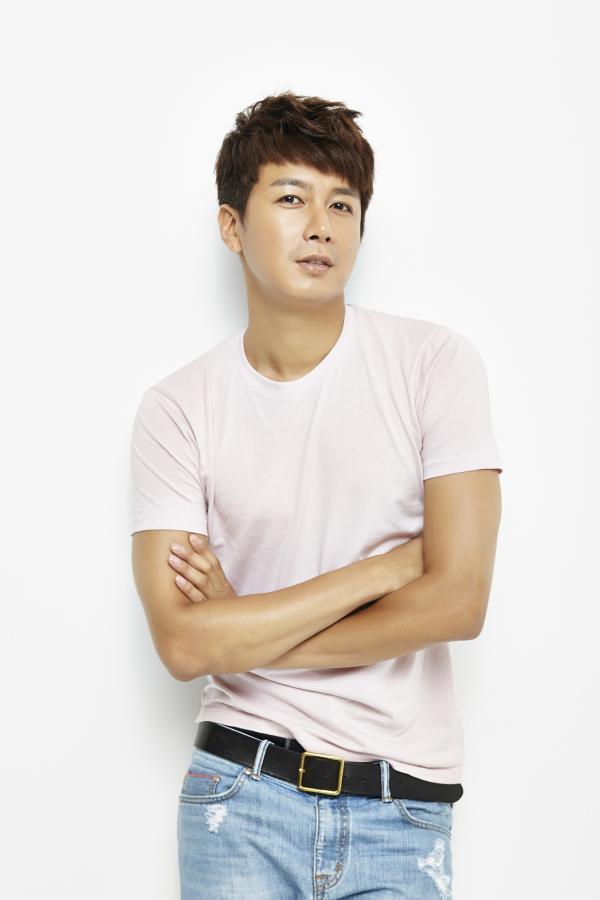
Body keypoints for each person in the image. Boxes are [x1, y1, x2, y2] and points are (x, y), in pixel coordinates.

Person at [130, 91, 503, 899]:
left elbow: (459, 602)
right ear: (232, 225)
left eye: (342, 204)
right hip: (239, 794)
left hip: (401, 808)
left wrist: (242, 631)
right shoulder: (177, 409)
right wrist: (386, 571)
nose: (322, 226)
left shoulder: (435, 366)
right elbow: (184, 646)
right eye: (292, 198)